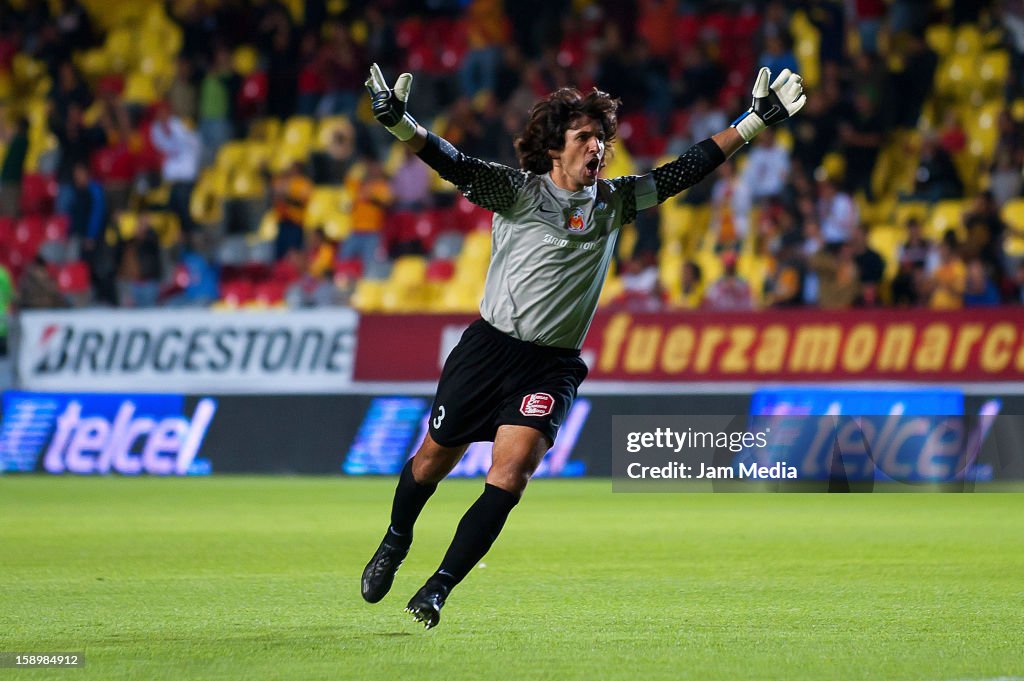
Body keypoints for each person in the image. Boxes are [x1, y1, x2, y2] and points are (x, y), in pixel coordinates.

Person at [359, 61, 806, 629]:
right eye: (584, 138)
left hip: (551, 365)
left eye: (602, 138)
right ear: (556, 150)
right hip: (488, 349)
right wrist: (401, 125)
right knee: (431, 461)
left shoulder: (615, 201)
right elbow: (451, 161)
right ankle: (397, 539)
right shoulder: (519, 192)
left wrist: (753, 121)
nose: (598, 148)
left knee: (512, 472)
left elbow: (685, 170)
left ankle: (440, 586)